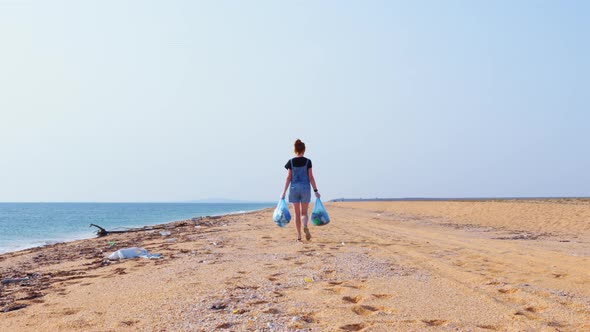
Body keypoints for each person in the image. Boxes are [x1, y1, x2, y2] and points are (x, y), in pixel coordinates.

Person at [281, 139, 320, 242]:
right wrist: (316, 190)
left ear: (295, 150)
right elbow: (311, 177)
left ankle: (299, 237)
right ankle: (305, 225)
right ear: (304, 150)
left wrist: (283, 192)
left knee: (296, 214)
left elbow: (288, 177)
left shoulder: (291, 162)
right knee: (304, 213)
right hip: (305, 188)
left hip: (294, 189)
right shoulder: (308, 161)